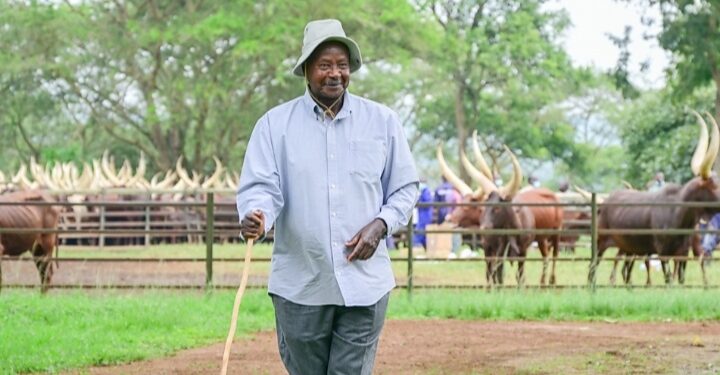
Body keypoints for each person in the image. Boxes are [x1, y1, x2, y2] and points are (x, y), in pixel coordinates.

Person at [236, 19, 419, 375]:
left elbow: (405, 188)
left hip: (364, 282)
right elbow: (261, 188)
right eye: (324, 65)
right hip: (301, 283)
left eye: (342, 65)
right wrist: (256, 214)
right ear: (306, 70)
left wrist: (380, 226)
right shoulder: (274, 126)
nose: (335, 74)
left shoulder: (383, 122)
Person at [413, 178, 433, 249]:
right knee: (420, 231)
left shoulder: (426, 191)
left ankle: (417, 246)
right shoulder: (422, 191)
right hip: (421, 215)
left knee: (422, 231)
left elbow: (427, 202)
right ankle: (418, 247)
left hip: (425, 215)